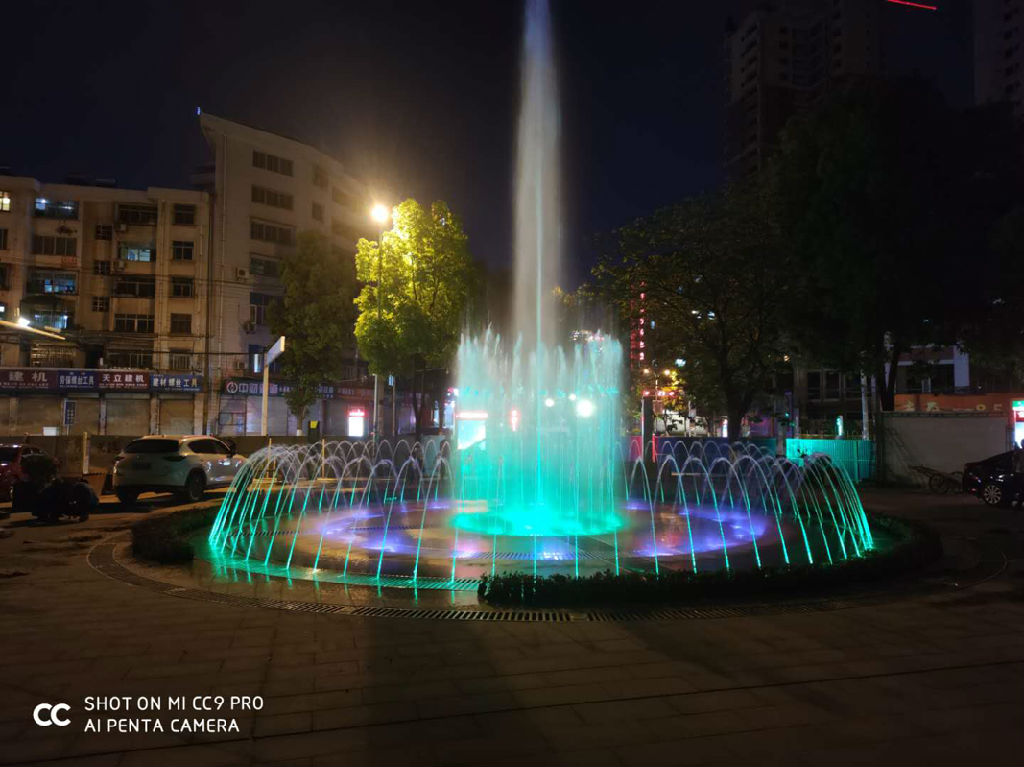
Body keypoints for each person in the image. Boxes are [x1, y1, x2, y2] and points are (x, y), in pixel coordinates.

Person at [1014, 440, 1024, 509]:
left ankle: (1019, 503)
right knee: (1021, 488)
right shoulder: (1019, 451)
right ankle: (1019, 503)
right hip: (1020, 472)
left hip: (1020, 472)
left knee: (1021, 488)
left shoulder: (1019, 451)